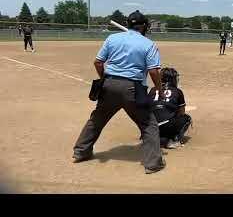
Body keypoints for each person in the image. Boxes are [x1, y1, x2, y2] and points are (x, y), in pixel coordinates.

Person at [72, 10, 166, 174]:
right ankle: (152, 163)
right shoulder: (148, 44)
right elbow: (153, 71)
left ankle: (81, 152)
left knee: (97, 119)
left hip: (109, 85)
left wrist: (105, 79)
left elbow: (98, 62)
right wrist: (159, 89)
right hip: (133, 88)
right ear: (143, 26)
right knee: (149, 125)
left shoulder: (112, 38)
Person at [149, 67, 192, 149]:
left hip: (151, 127)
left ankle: (151, 138)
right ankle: (173, 140)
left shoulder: (153, 90)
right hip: (165, 127)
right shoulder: (178, 91)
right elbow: (181, 112)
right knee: (186, 118)